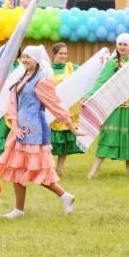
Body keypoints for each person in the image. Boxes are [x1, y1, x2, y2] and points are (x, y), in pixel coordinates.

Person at [0, 46, 77, 219]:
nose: (24, 60)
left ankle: (64, 195)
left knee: (36, 170)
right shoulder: (24, 76)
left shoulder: (41, 80)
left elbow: (55, 103)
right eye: (23, 56)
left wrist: (70, 125)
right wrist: (14, 124)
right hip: (19, 129)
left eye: (29, 57)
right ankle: (19, 209)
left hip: (34, 131)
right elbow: (13, 102)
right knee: (15, 168)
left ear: (37, 59)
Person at [86, 33, 129, 179]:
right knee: (108, 136)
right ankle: (94, 170)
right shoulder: (112, 63)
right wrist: (89, 96)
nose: (122, 47)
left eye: (125, 44)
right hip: (114, 105)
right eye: (120, 44)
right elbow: (102, 81)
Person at [47, 42, 82, 176]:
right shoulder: (47, 69)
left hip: (68, 109)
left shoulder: (72, 67)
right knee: (50, 141)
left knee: (64, 141)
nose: (63, 56)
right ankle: (49, 168)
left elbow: (85, 77)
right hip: (51, 109)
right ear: (54, 54)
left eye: (65, 53)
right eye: (61, 53)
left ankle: (59, 169)